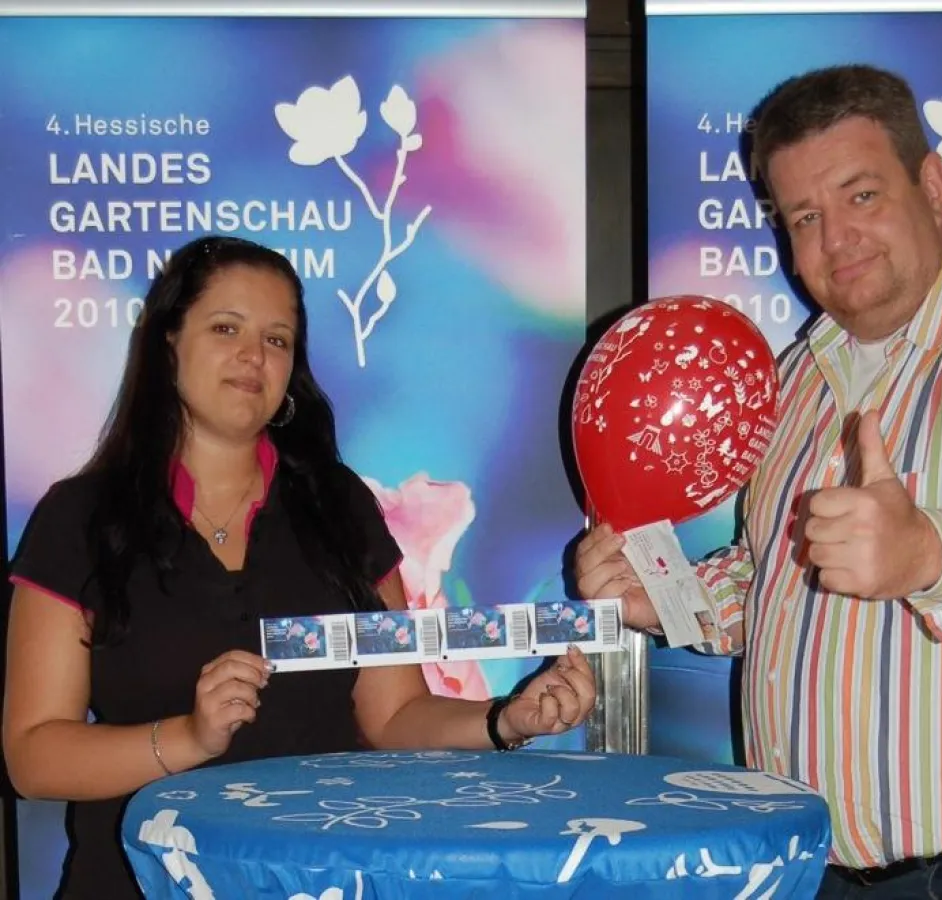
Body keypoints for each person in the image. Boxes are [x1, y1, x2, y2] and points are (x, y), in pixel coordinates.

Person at [575, 65, 942, 898]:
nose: (835, 238)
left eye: (861, 196)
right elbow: (773, 580)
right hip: (824, 861)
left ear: (931, 187)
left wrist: (926, 552)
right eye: (805, 216)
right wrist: (660, 598)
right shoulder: (800, 374)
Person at [3, 235, 596, 900]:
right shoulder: (80, 518)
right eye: (226, 328)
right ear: (168, 342)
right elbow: (33, 757)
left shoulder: (340, 506)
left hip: (318, 881)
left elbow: (394, 715)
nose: (253, 356)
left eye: (277, 339)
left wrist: (505, 720)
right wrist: (189, 738)